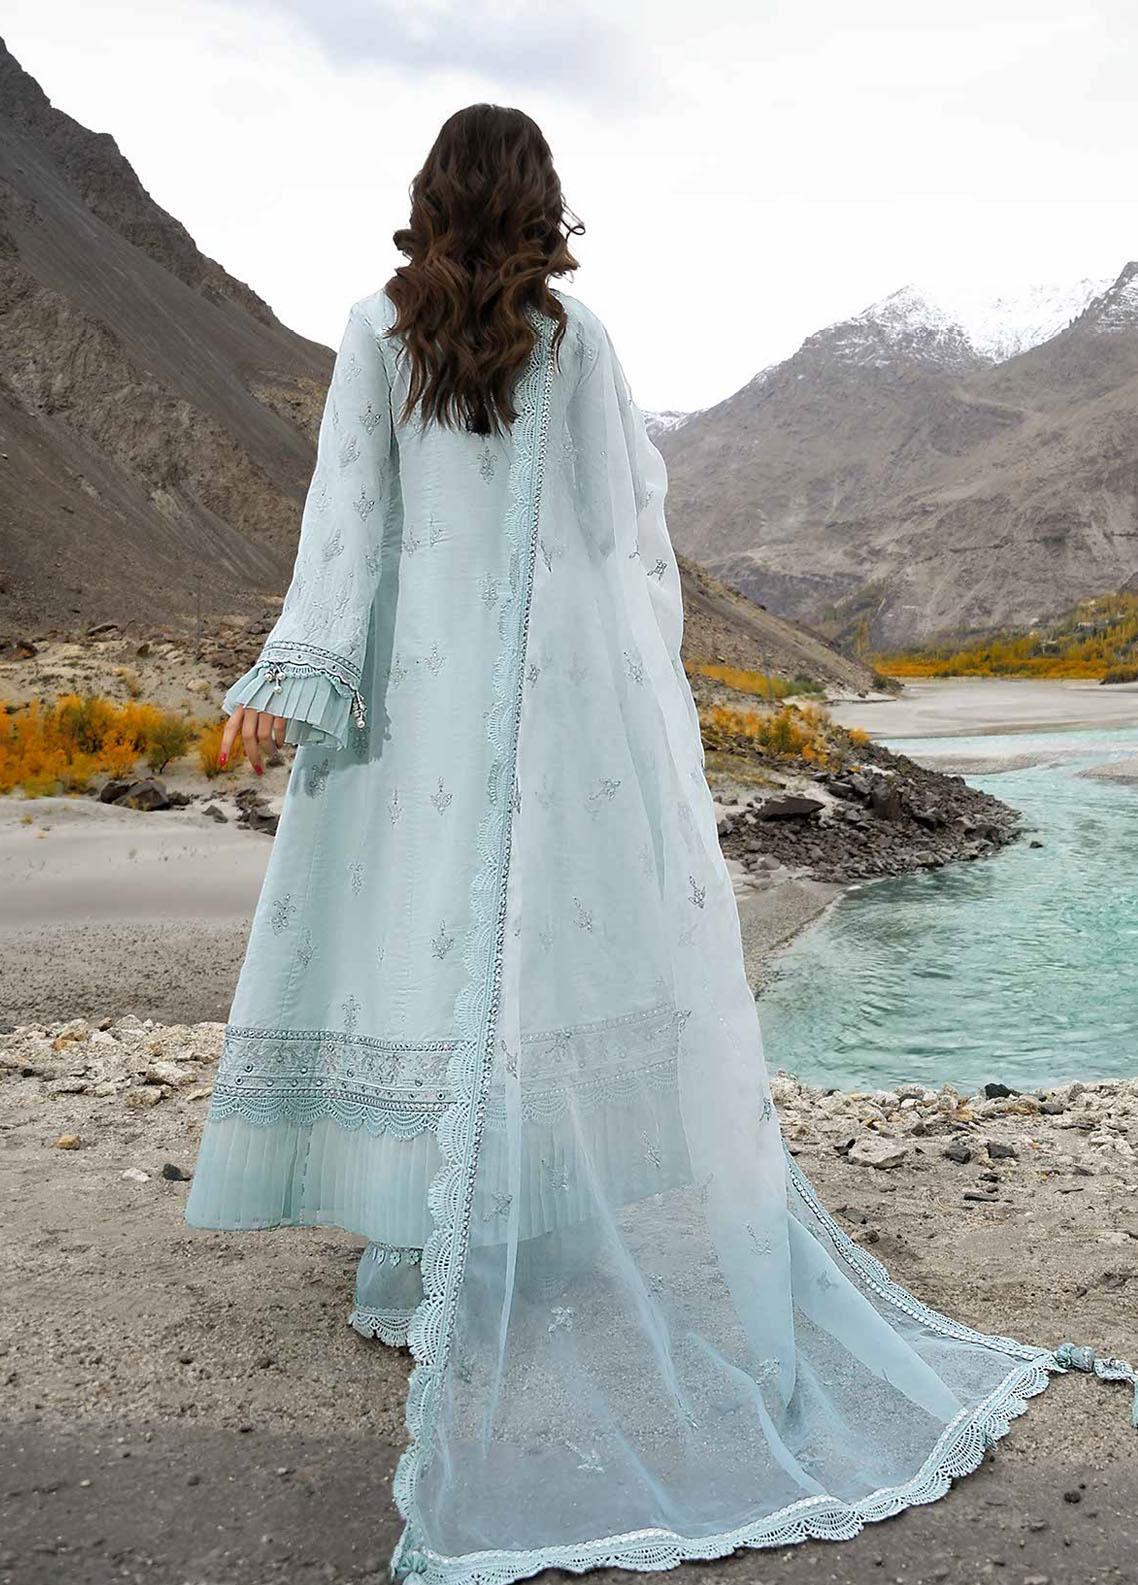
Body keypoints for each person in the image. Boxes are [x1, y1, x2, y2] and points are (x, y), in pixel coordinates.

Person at [186, 103, 1134, 1585]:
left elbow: (349, 521)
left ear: (430, 195)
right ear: (540, 203)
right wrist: (638, 705)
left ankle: (446, 1233)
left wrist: (301, 670)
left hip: (424, 687)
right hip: (562, 698)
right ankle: (492, 1225)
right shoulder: (577, 343)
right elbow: (627, 536)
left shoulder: (380, 332)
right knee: (530, 943)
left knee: (423, 934)